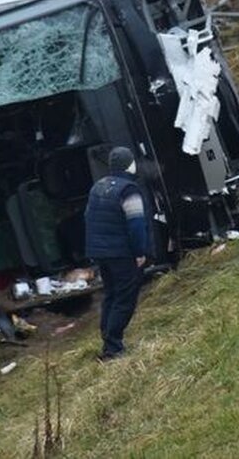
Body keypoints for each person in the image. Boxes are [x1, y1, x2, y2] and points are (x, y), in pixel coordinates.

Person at [84, 146, 148, 360]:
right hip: (121, 253)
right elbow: (136, 225)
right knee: (125, 298)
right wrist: (140, 252)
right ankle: (113, 347)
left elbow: (88, 218)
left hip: (101, 252)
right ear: (130, 164)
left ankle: (107, 337)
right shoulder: (128, 190)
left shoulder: (98, 187)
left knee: (111, 295)